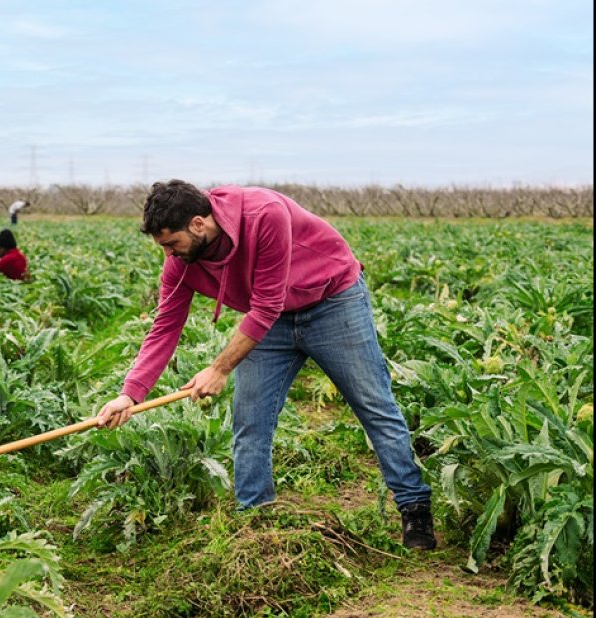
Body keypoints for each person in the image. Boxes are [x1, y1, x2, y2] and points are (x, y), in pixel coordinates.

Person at [95, 180, 435, 550]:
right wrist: (129, 395)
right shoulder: (180, 262)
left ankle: (414, 507)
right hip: (268, 323)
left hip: (332, 300)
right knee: (250, 420)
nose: (169, 254)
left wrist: (220, 368)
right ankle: (255, 521)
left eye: (171, 243)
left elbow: (267, 305)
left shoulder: (263, 214)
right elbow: (165, 327)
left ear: (197, 224)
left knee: (374, 406)